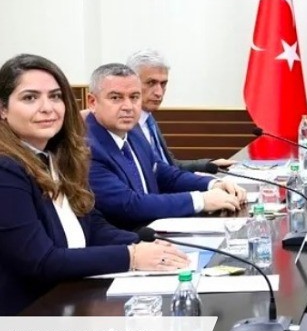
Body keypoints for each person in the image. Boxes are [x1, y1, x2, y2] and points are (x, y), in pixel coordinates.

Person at [0, 54, 189, 315]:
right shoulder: (6, 169)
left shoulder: (56, 156)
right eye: (30, 98)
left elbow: (91, 224)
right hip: (28, 317)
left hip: (70, 297)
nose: (47, 108)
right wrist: (131, 256)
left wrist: (144, 245)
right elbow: (41, 260)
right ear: (3, 109)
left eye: (55, 96)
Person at [85, 63, 245, 231]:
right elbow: (129, 205)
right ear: (92, 102)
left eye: (134, 97)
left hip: (158, 230)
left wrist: (213, 184)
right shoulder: (87, 148)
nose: (128, 107)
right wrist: (201, 200)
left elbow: (165, 175)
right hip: (128, 240)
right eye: (116, 98)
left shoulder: (134, 131)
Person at [127, 49, 233, 173]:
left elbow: (168, 165)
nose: (159, 93)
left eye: (163, 84)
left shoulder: (148, 119)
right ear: (130, 83)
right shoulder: (123, 125)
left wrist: (207, 165)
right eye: (151, 83)